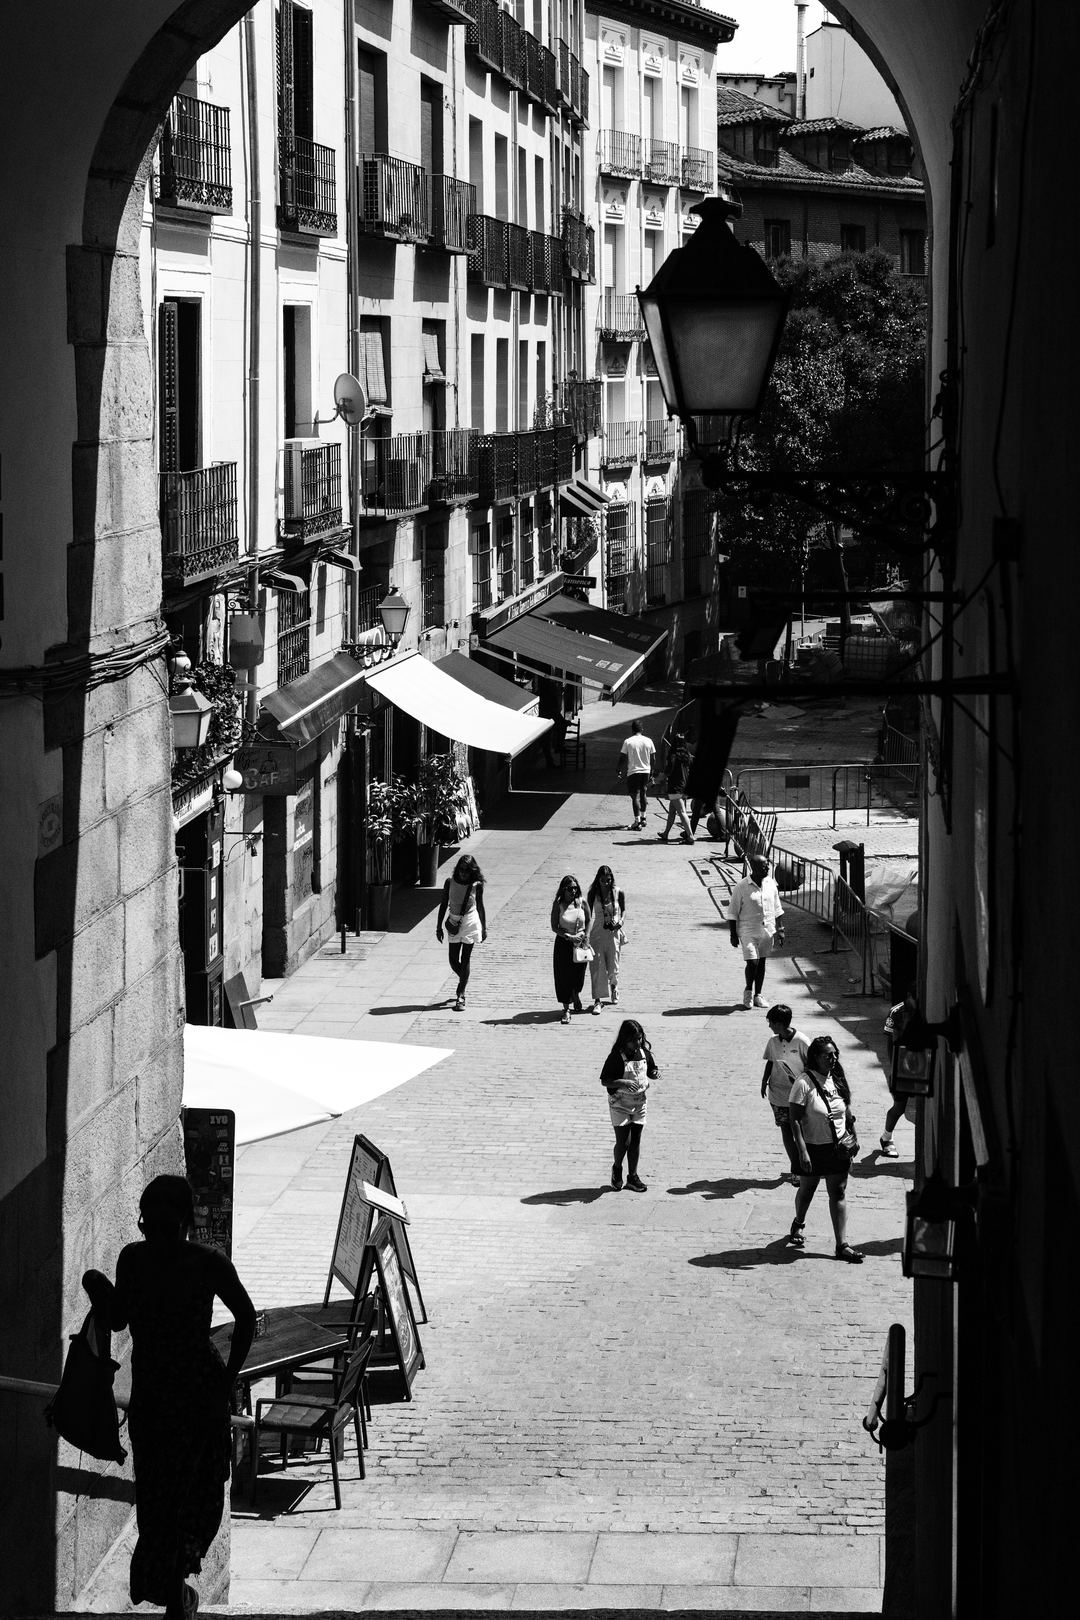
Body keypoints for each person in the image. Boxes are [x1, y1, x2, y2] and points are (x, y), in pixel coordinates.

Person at [82, 1176, 257, 1616]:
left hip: (155, 1394)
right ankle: (176, 1588)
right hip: (198, 1391)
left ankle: (170, 1588)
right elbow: (246, 1317)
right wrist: (227, 1381)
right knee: (192, 1492)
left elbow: (119, 1319)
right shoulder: (206, 1262)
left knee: (158, 1495)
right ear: (185, 1221)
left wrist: (99, 1287)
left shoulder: (133, 1258)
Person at [787, 1036, 864, 1262]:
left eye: (835, 1054)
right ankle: (799, 1222)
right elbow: (795, 1120)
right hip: (812, 1148)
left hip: (837, 1148)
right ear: (815, 1058)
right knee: (807, 1190)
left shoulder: (837, 1079)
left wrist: (854, 1139)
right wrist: (802, 1152)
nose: (833, 1058)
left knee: (838, 1193)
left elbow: (847, 1114)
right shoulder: (803, 1084)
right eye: (828, 1055)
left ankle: (842, 1245)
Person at [600, 1019, 659, 1192]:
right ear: (624, 1039)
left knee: (636, 1140)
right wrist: (623, 1082)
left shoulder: (644, 1054)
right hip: (620, 1104)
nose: (638, 1042)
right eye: (634, 1039)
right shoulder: (615, 1057)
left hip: (639, 1102)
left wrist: (654, 1073)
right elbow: (605, 1081)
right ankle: (617, 1168)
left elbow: (651, 1070)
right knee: (624, 1142)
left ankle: (633, 1177)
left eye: (640, 1038)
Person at [761, 1003, 810, 1184]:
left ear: (780, 1023)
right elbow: (770, 1062)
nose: (769, 1026)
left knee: (802, 1133)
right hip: (778, 1095)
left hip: (799, 1096)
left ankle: (807, 1164)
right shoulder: (773, 1041)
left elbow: (812, 1066)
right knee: (787, 1133)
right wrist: (764, 1081)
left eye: (771, 1022)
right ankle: (795, 1169)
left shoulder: (803, 1041)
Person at [727, 854, 785, 1008]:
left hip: (767, 930)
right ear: (754, 868)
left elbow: (777, 908)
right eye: (764, 866)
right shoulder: (741, 887)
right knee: (752, 963)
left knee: (762, 962)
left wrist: (780, 929)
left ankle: (758, 994)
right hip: (748, 931)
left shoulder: (771, 883)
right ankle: (748, 991)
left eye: (768, 865)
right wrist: (733, 934)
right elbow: (732, 913)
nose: (767, 868)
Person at [436, 854, 487, 1010]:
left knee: (465, 958)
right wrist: (438, 927)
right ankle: (463, 979)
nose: (463, 873)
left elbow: (480, 906)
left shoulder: (476, 885)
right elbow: (444, 904)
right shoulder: (449, 883)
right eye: (461, 869)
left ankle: (461, 995)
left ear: (472, 871)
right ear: (457, 869)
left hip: (470, 922)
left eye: (467, 870)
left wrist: (484, 928)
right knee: (453, 960)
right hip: (453, 921)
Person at [550, 874, 592, 1023]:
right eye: (569, 889)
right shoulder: (558, 905)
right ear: (563, 890)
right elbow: (554, 926)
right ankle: (566, 1009)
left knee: (579, 976)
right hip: (564, 944)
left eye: (575, 888)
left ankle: (576, 994)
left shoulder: (581, 902)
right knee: (564, 977)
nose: (573, 891)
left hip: (580, 944)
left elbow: (589, 920)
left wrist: (586, 935)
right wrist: (568, 936)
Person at [586, 864, 626, 1013]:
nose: (606, 883)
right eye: (603, 880)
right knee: (597, 966)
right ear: (598, 880)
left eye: (608, 880)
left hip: (613, 933)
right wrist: (586, 934)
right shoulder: (593, 894)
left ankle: (614, 987)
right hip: (597, 932)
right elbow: (588, 915)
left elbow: (624, 910)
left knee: (613, 965)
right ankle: (598, 999)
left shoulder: (618, 892)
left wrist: (621, 922)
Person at [617, 718, 656, 830]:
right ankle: (643, 818)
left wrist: (618, 768)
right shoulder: (649, 741)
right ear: (642, 729)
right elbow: (653, 758)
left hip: (633, 772)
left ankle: (637, 821)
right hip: (646, 771)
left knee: (635, 796)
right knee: (643, 794)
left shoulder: (628, 741)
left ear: (632, 730)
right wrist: (652, 771)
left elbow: (622, 758)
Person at [657, 732, 694, 844]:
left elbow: (666, 773)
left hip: (675, 788)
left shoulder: (673, 758)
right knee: (672, 811)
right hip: (684, 787)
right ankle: (665, 834)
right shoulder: (688, 757)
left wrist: (654, 781)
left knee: (682, 812)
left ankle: (690, 837)